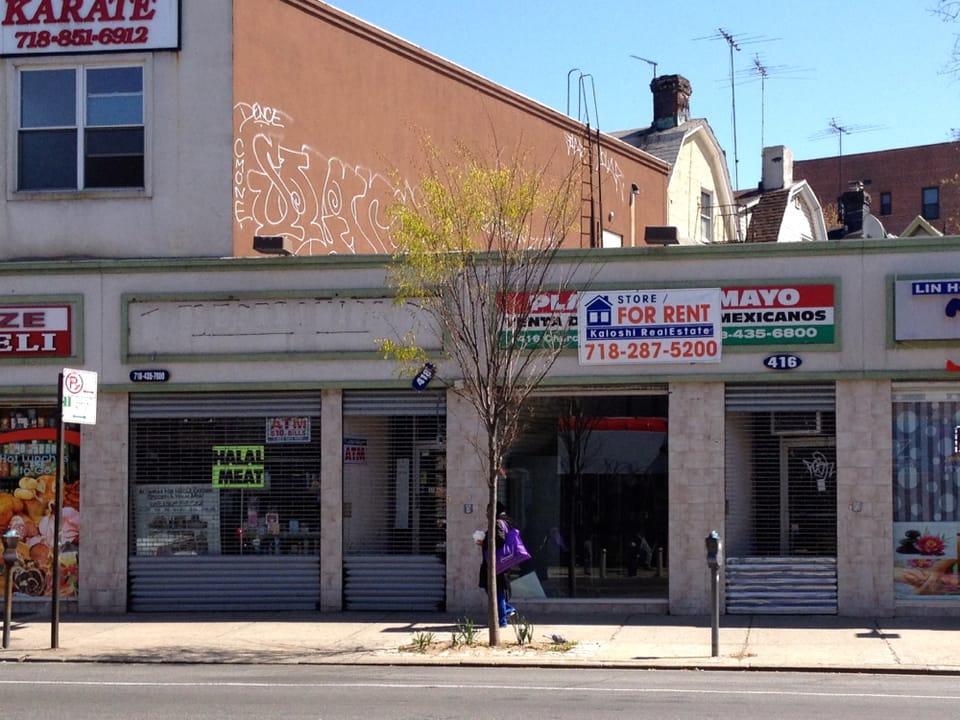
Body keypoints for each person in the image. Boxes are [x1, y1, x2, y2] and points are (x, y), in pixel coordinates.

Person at [478, 502, 517, 627]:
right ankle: (507, 611)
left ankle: (502, 620)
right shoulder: (505, 522)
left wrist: (484, 542)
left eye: (488, 510)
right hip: (502, 562)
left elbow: (500, 540)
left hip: (496, 563)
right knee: (494, 590)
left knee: (495, 591)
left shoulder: (498, 523)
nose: (486, 513)